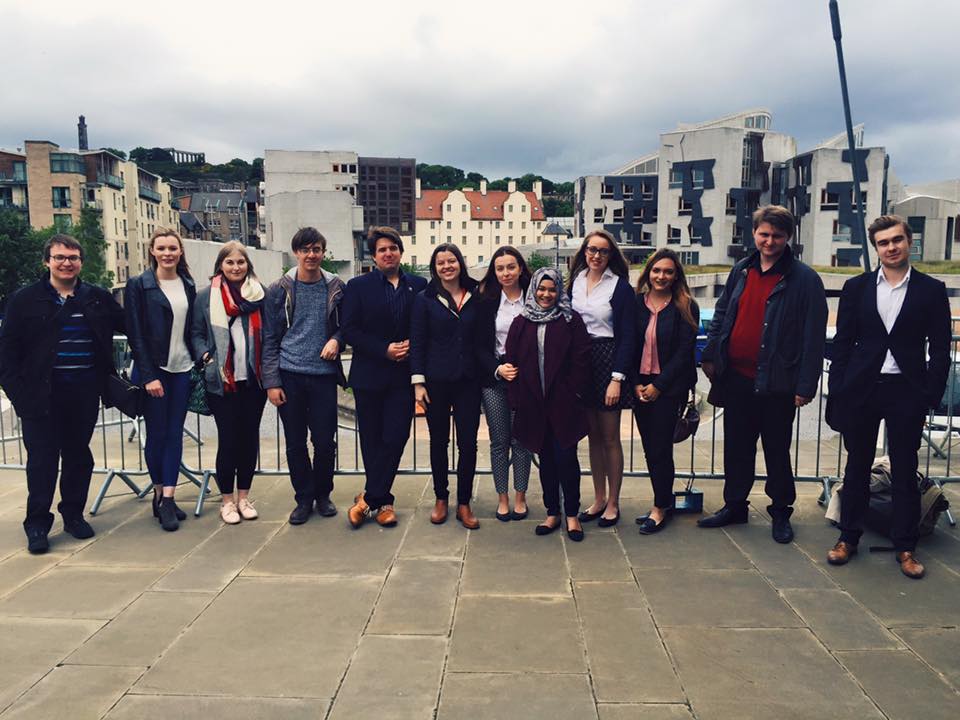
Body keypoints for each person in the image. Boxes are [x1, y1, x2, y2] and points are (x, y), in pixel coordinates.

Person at [825, 215, 951, 579]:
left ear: (909, 242)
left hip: (906, 391)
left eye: (897, 240)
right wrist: (840, 388)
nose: (891, 247)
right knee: (857, 467)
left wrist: (930, 394)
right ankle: (848, 537)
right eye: (883, 242)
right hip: (862, 389)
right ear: (876, 248)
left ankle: (906, 546)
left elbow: (940, 348)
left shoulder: (931, 289)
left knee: (905, 470)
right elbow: (843, 342)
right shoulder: (857, 287)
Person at [699, 205, 827, 543]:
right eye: (764, 234)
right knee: (736, 447)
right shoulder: (742, 270)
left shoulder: (805, 280)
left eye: (777, 236)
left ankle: (781, 511)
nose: (769, 241)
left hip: (777, 382)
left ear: (788, 237)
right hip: (736, 378)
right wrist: (711, 355)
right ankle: (735, 506)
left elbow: (813, 337)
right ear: (754, 234)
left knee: (776, 450)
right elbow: (723, 313)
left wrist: (806, 384)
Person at [0, 235, 124, 553]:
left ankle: (73, 515)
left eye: (72, 257)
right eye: (59, 257)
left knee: (78, 456)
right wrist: (19, 396)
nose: (66, 263)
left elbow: (130, 324)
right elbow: (7, 352)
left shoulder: (96, 297)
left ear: (81, 262)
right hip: (40, 393)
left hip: (83, 391)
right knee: (42, 461)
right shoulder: (24, 300)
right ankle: (37, 524)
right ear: (47, 261)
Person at [343, 227, 427, 529]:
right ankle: (384, 503)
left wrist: (411, 347)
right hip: (369, 375)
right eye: (382, 249)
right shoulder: (358, 286)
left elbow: (425, 325)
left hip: (403, 376)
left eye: (393, 248)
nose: (388, 253)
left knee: (396, 436)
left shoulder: (418, 285)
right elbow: (349, 330)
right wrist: (384, 349)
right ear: (374, 256)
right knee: (371, 440)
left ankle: (368, 499)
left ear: (401, 252)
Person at [262, 227, 345, 526]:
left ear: (323, 252)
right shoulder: (279, 289)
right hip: (290, 374)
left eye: (316, 249)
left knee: (324, 442)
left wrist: (337, 339)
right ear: (296, 252)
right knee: (295, 443)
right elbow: (270, 338)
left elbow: (347, 325)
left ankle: (323, 495)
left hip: (324, 376)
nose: (311, 255)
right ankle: (303, 498)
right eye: (305, 250)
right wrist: (272, 382)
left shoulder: (336, 286)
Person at [505, 267, 591, 541]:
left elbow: (582, 359)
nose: (546, 294)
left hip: (563, 404)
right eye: (541, 289)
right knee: (547, 461)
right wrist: (518, 398)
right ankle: (552, 511)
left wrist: (573, 392)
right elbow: (512, 360)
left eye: (552, 289)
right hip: (534, 404)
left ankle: (572, 514)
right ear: (533, 290)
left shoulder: (570, 320)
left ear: (559, 291)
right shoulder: (521, 322)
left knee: (566, 458)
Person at [125, 228, 197, 532]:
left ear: (180, 252)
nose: (168, 253)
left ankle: (168, 497)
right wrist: (149, 375)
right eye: (162, 248)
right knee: (156, 435)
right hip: (154, 372)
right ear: (152, 251)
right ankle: (159, 494)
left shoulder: (188, 284)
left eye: (173, 248)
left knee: (174, 434)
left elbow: (190, 329)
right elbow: (135, 333)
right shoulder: (139, 285)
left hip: (182, 368)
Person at [190, 242, 267, 525]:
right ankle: (227, 501)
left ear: (248, 265)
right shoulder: (205, 297)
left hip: (253, 381)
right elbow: (196, 333)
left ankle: (244, 497)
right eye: (230, 262)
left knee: (249, 439)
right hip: (222, 381)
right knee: (229, 440)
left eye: (241, 262)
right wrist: (206, 356)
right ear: (220, 265)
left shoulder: (259, 294)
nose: (236, 267)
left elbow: (270, 332)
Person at [410, 243, 481, 529]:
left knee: (468, 443)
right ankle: (441, 498)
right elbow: (417, 341)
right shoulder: (424, 298)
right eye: (441, 263)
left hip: (468, 380)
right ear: (434, 268)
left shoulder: (477, 294)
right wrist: (418, 383)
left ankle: (464, 502)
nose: (447, 266)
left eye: (451, 261)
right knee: (439, 442)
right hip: (436, 381)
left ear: (460, 263)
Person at [568, 230, 635, 527]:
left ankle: (614, 502)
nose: (596, 255)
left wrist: (617, 378)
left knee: (609, 437)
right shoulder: (575, 281)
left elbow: (628, 336)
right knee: (592, 436)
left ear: (611, 255)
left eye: (603, 251)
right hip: (581, 360)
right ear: (584, 251)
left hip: (608, 360)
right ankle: (598, 498)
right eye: (592, 249)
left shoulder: (619, 287)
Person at [631, 249, 700, 534]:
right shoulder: (637, 303)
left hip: (668, 387)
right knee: (650, 448)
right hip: (640, 384)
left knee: (660, 447)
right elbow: (629, 345)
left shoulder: (686, 305)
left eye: (668, 271)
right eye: (657, 270)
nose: (661, 276)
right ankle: (662, 500)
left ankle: (660, 507)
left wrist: (659, 386)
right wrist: (636, 382)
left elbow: (684, 352)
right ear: (648, 273)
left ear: (676, 276)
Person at [475, 247, 534, 521]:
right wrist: (497, 368)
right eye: (500, 268)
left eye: (511, 267)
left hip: (526, 378)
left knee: (522, 440)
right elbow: (477, 345)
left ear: (520, 268)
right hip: (495, 377)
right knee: (499, 441)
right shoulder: (486, 300)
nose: (506, 273)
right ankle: (503, 498)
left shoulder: (533, 298)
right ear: (494, 271)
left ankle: (520, 496)